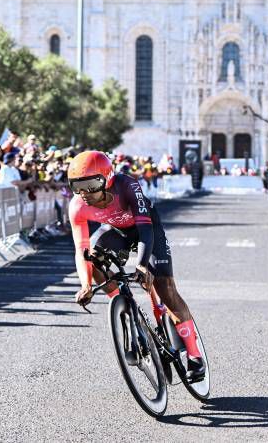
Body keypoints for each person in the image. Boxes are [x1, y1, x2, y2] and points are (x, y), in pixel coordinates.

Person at [68, 150, 205, 382]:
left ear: (107, 178)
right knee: (92, 256)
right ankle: (121, 302)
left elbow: (144, 229)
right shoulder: (77, 206)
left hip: (147, 230)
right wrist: (85, 285)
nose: (85, 194)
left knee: (166, 290)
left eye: (91, 185)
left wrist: (142, 265)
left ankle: (194, 356)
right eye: (77, 187)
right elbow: (79, 248)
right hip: (117, 232)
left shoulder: (127, 185)